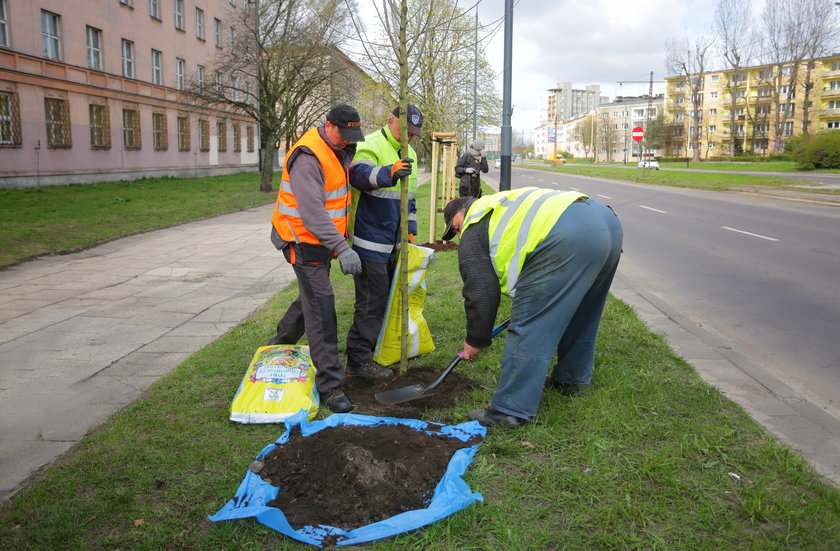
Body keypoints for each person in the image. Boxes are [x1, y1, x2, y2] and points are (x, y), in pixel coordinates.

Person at [266, 104, 413, 413]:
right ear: (328, 125)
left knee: (310, 296)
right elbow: (312, 213)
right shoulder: (308, 157)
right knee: (322, 306)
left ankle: (279, 346)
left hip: (322, 241)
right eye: (343, 134)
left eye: (352, 134)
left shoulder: (339, 148)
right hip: (301, 240)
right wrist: (342, 248)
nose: (348, 140)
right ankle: (331, 384)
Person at [440, 186, 623, 427]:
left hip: (568, 232)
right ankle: (570, 380)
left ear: (463, 211)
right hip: (606, 221)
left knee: (529, 324)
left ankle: (509, 410)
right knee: (583, 312)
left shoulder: (475, 221)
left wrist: (476, 339)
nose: (460, 234)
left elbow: (481, 293)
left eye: (456, 227)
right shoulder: (503, 204)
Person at [345, 104, 424, 379]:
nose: (408, 139)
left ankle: (375, 351)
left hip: (395, 241)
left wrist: (410, 227)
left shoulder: (410, 153)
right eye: (405, 131)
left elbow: (409, 198)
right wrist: (388, 172)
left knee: (387, 299)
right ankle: (358, 361)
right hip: (369, 240)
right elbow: (357, 176)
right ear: (390, 121)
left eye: (413, 134)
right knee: (371, 300)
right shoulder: (371, 143)